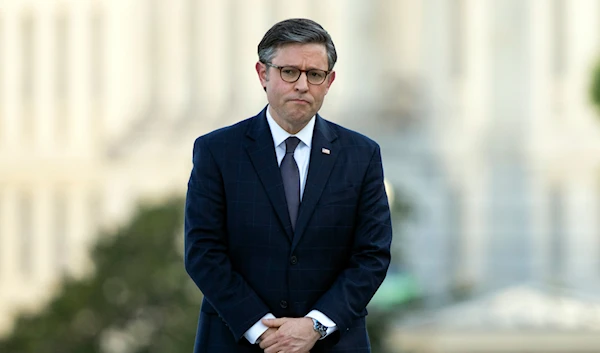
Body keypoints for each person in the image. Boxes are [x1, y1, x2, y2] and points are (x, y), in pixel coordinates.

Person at [184, 18, 392, 353]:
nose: (302, 85)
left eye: (314, 74)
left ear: (329, 82)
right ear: (262, 74)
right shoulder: (217, 151)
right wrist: (264, 332)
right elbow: (203, 253)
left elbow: (371, 256)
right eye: (289, 72)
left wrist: (316, 326)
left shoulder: (361, 154)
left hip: (333, 343)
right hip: (236, 340)